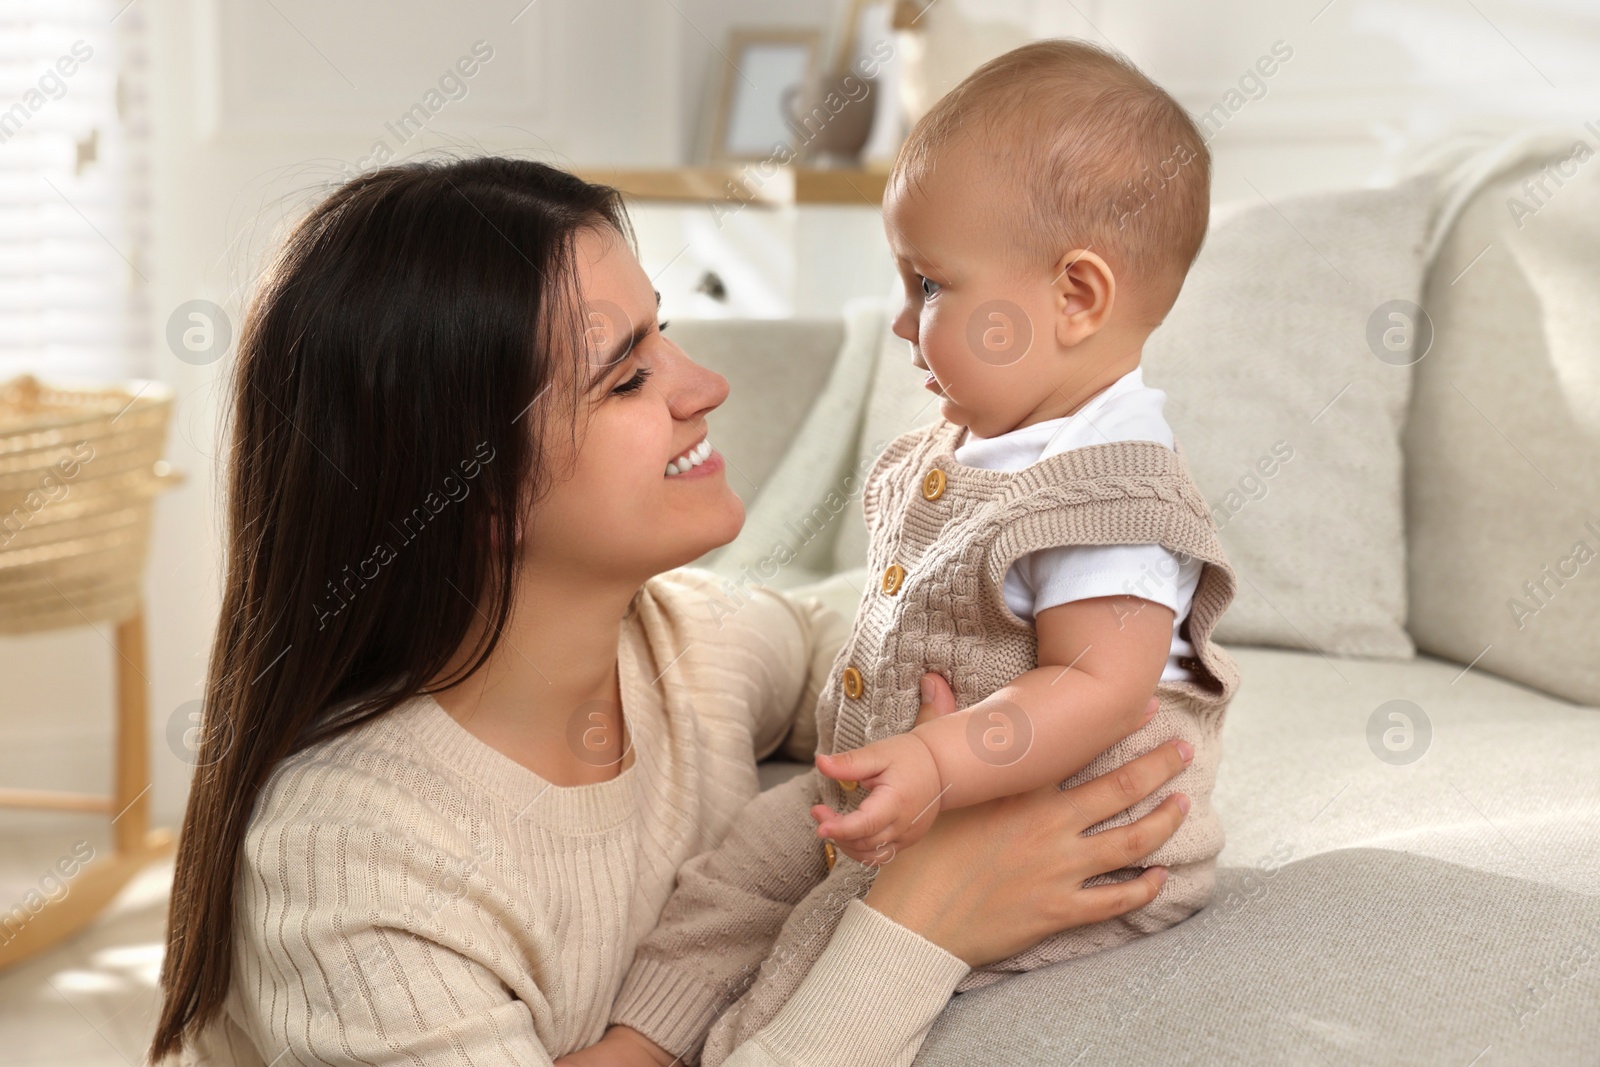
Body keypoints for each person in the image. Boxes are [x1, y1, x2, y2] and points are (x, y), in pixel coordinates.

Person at [147, 155, 1194, 1067]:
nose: (705, 385)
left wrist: (1070, 662)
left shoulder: (689, 651)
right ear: (463, 492)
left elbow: (871, 641)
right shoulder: (355, 863)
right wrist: (924, 913)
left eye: (669, 333)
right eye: (627, 377)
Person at [607, 38, 1240, 1066]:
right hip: (913, 786)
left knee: (821, 935)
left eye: (931, 286)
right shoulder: (990, 442)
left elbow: (1101, 686)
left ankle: (729, 1044)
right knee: (741, 867)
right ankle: (635, 1037)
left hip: (1059, 831)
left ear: (1076, 297)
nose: (902, 323)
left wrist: (942, 762)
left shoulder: (1109, 486)